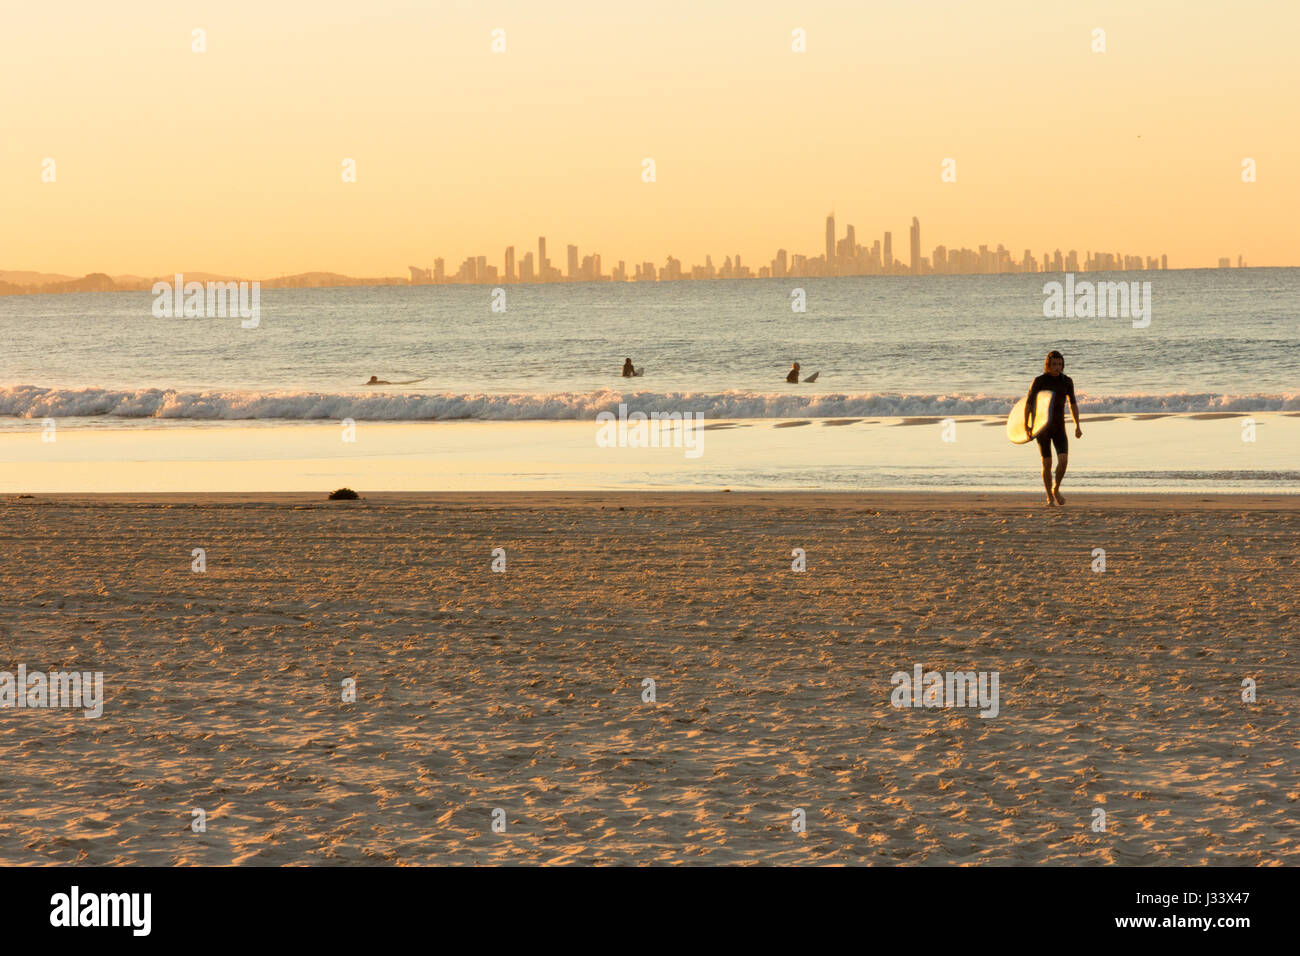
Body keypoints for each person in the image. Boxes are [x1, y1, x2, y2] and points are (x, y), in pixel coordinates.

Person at [1025, 350, 1082, 506]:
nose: (1057, 367)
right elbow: (1029, 404)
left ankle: (1055, 488)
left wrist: (1077, 425)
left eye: (1060, 364)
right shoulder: (1039, 381)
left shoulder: (1067, 381)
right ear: (1048, 366)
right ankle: (1049, 496)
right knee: (1047, 463)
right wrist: (1026, 424)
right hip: (1042, 427)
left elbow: (1073, 404)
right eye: (1054, 364)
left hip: (1059, 427)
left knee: (1063, 461)